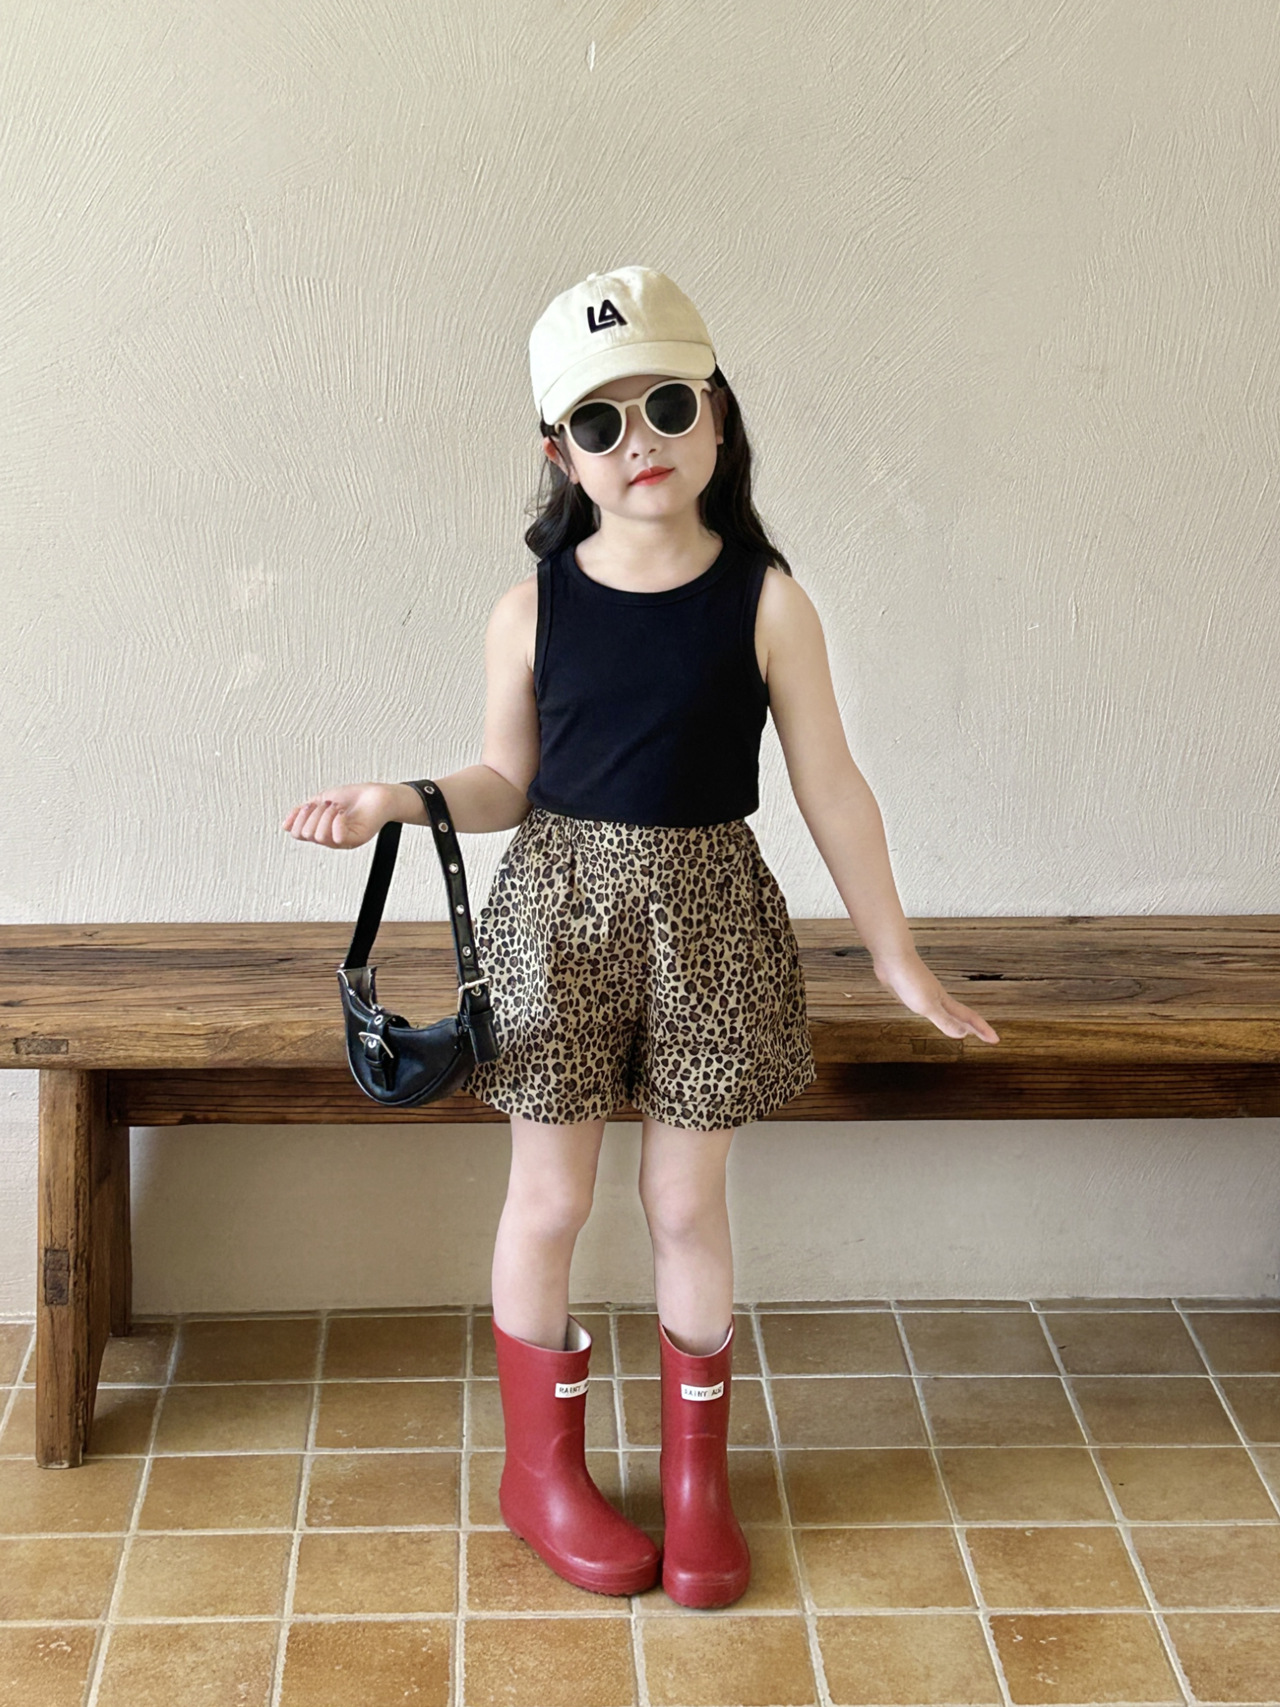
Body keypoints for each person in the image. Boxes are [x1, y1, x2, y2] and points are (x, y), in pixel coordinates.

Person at [282, 265, 1000, 1609]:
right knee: (549, 1200)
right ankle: (541, 1475)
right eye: (600, 422)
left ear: (717, 413)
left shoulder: (768, 601)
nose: (641, 441)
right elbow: (507, 782)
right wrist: (401, 799)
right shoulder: (532, 608)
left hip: (711, 924)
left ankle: (695, 1486)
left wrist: (897, 955)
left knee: (684, 1201)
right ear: (562, 454)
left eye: (668, 404)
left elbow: (832, 786)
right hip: (555, 922)